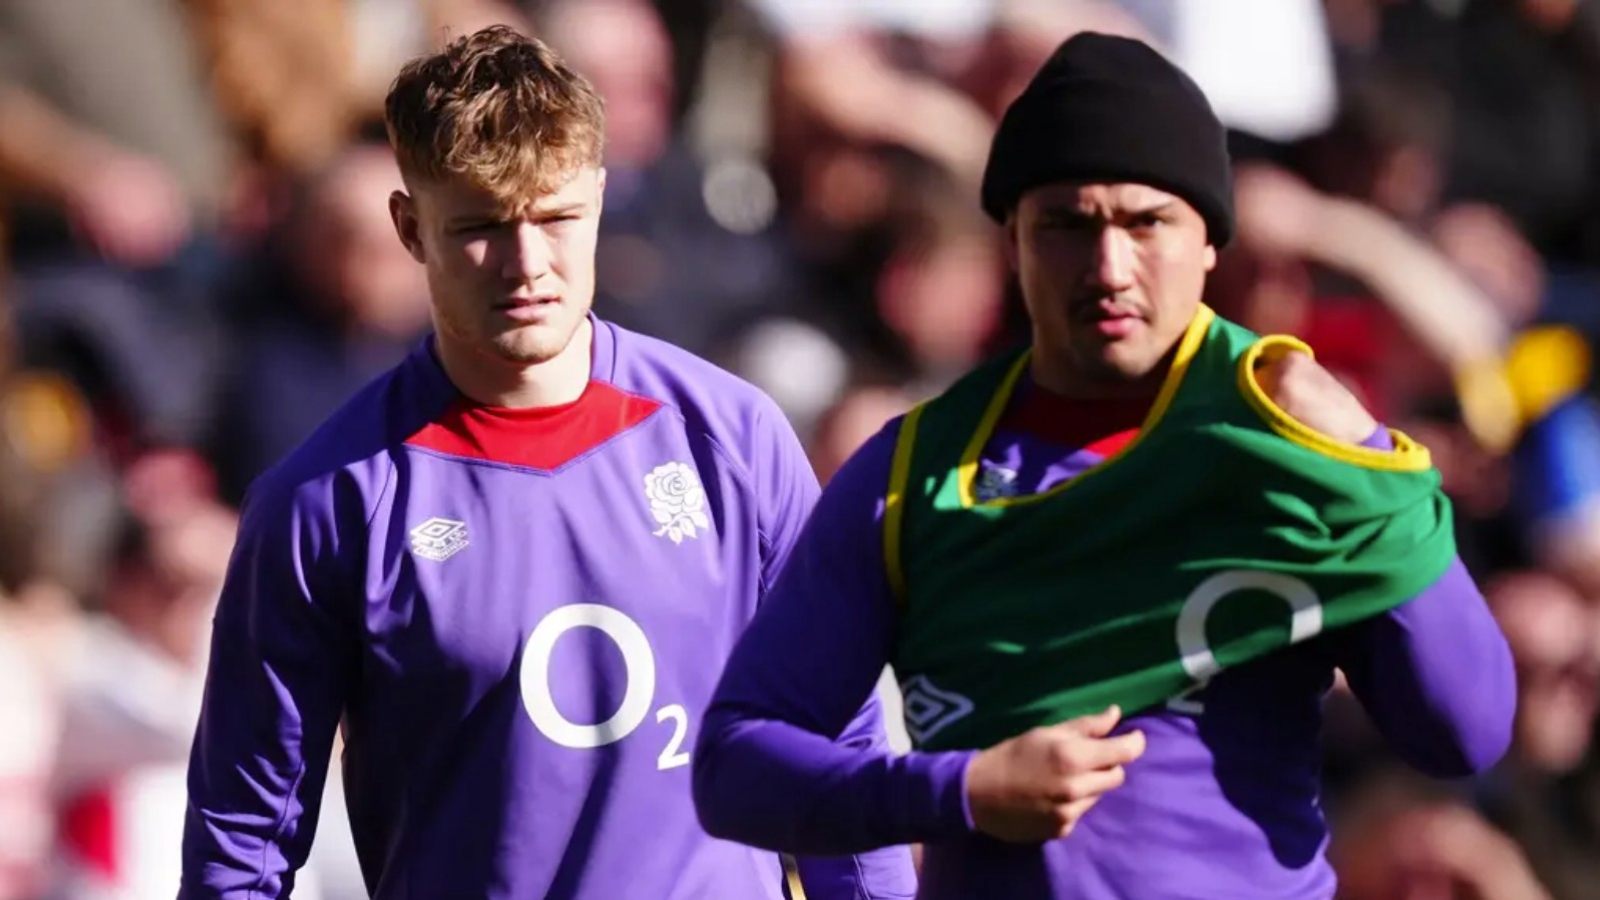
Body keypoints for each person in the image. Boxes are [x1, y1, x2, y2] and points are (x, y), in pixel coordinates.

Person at [692, 33, 1516, 898]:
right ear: (1011, 242)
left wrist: (1369, 467)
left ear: (1210, 241)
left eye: (1146, 221)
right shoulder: (916, 479)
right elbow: (736, 764)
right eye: (1067, 224)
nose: (1108, 267)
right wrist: (961, 792)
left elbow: (1465, 732)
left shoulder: (1294, 442)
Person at [179, 25, 913, 899]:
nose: (528, 265)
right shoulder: (326, 503)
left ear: (601, 200)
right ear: (411, 228)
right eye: (483, 227)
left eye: (558, 218)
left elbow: (833, 738)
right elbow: (244, 843)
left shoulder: (734, 438)